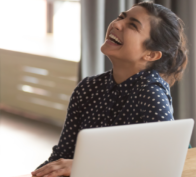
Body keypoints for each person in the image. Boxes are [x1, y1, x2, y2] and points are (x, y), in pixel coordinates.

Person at [31, 2, 188, 177]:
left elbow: (161, 165)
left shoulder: (151, 94)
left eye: (132, 25)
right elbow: (62, 155)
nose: (116, 24)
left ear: (150, 54)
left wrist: (87, 167)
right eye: (121, 17)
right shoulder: (88, 88)